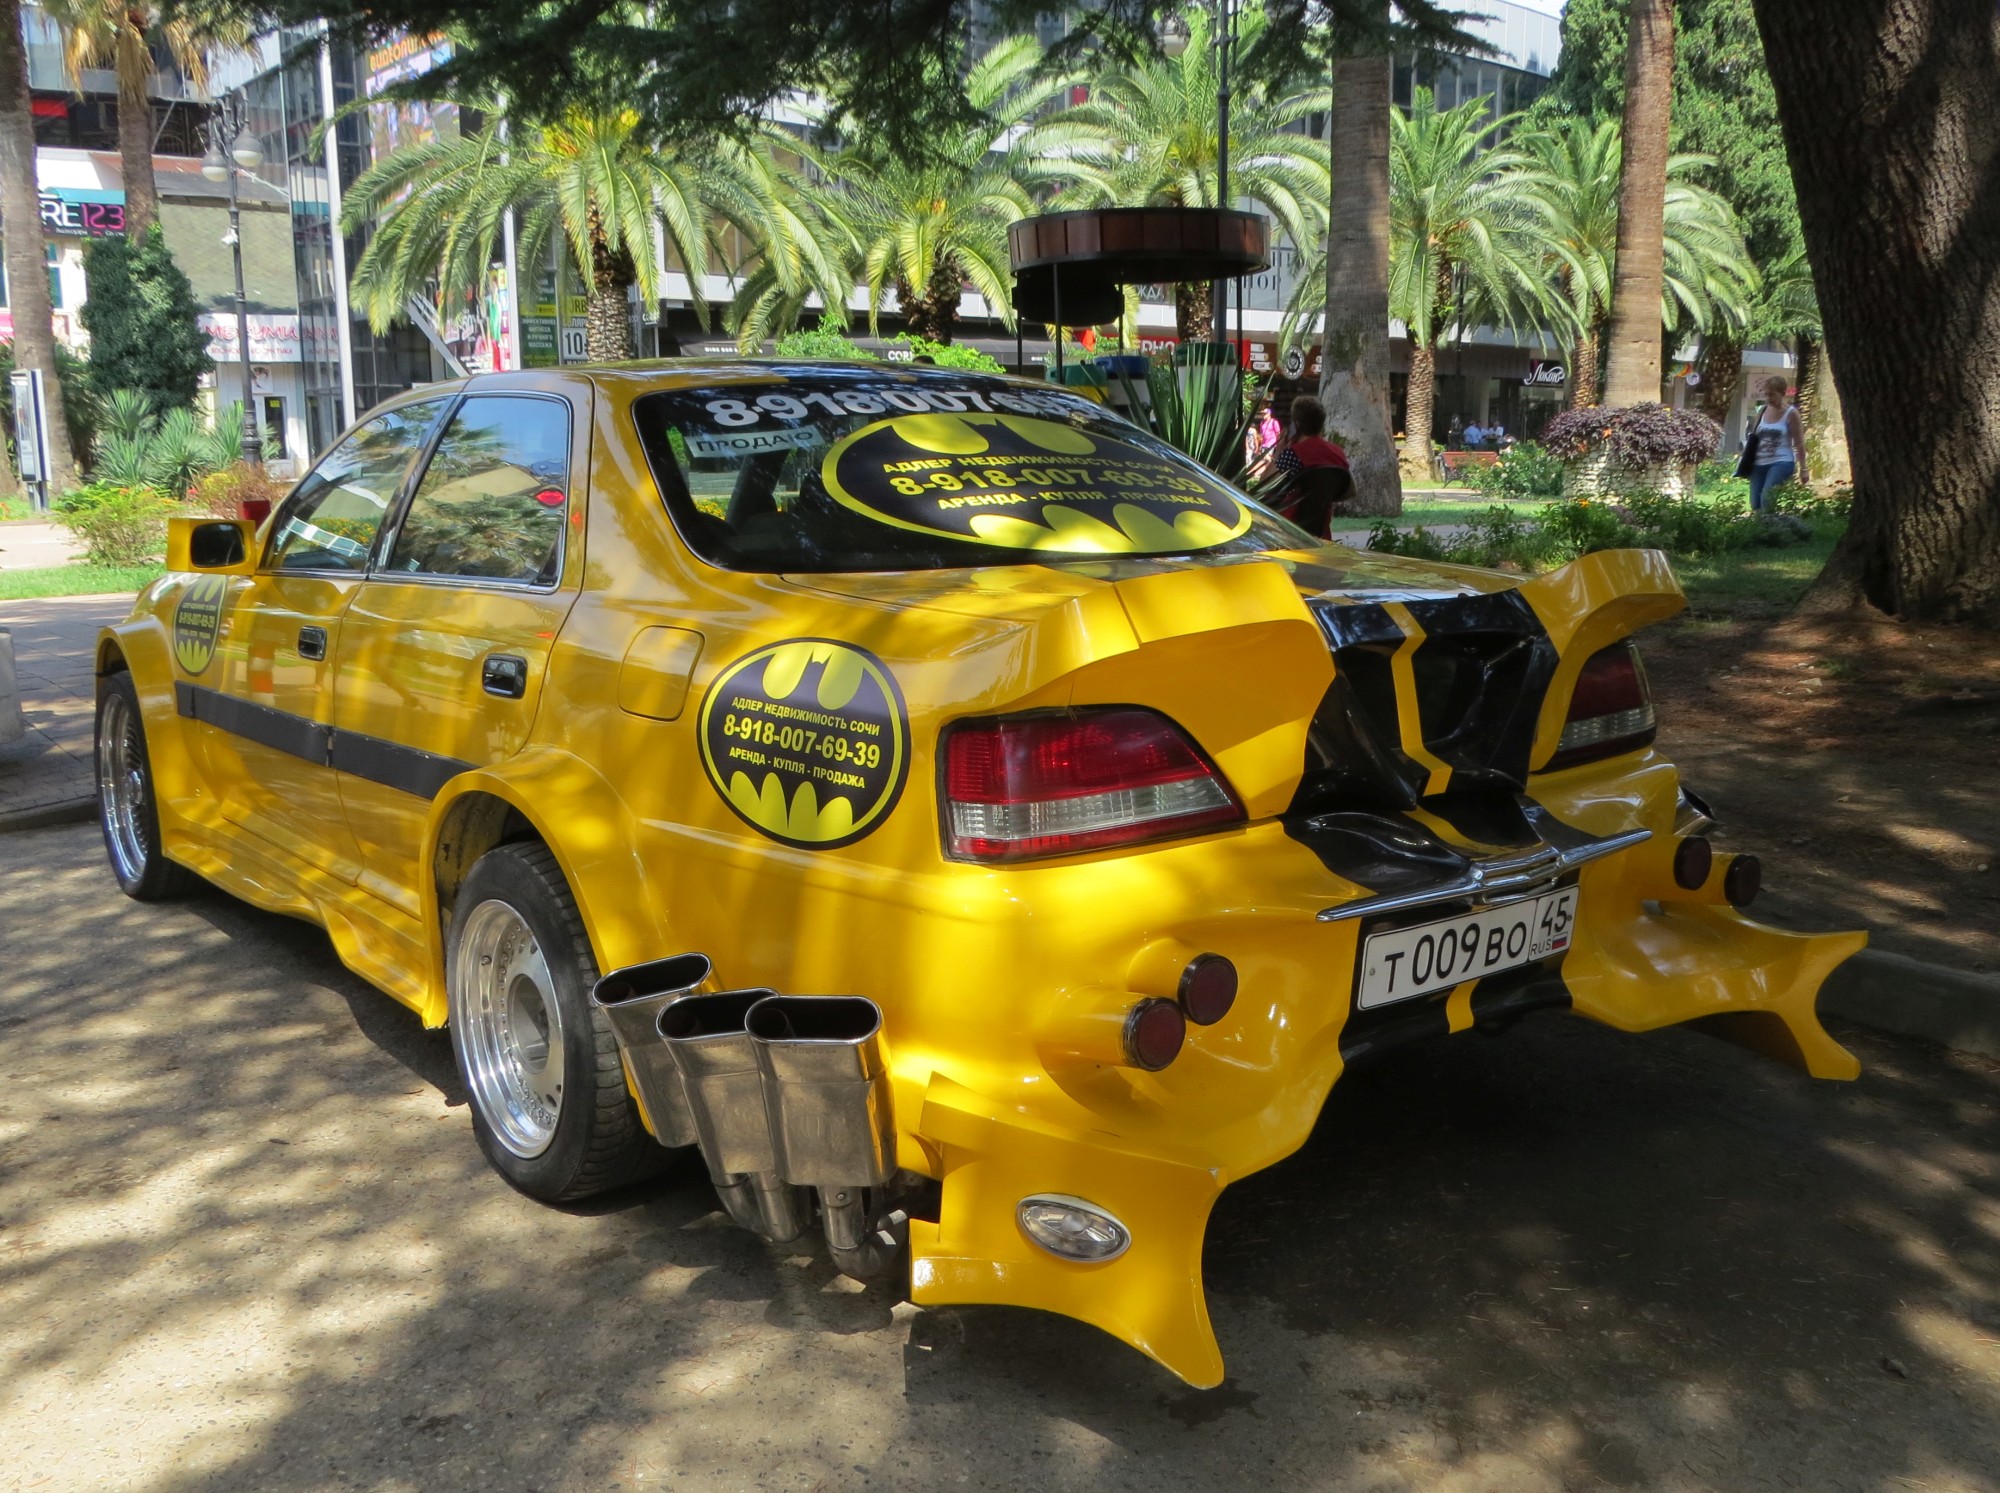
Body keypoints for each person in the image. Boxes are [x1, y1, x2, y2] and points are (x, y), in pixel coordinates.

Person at [1269, 395, 1353, 536]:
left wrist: (1278, 453)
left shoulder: (1293, 454)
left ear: (1296, 424)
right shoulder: (1338, 453)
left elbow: (1266, 485)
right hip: (1321, 533)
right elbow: (1350, 491)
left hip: (1289, 532)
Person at [1734, 375, 1809, 510]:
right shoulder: (1762, 410)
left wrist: (1803, 469)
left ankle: (1771, 528)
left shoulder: (1791, 413)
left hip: (1781, 461)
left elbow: (1799, 443)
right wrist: (1742, 459)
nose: (1769, 398)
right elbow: (1753, 437)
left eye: (1772, 395)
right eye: (1766, 395)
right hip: (1759, 463)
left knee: (1767, 500)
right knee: (1755, 504)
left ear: (1783, 393)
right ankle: (1765, 530)